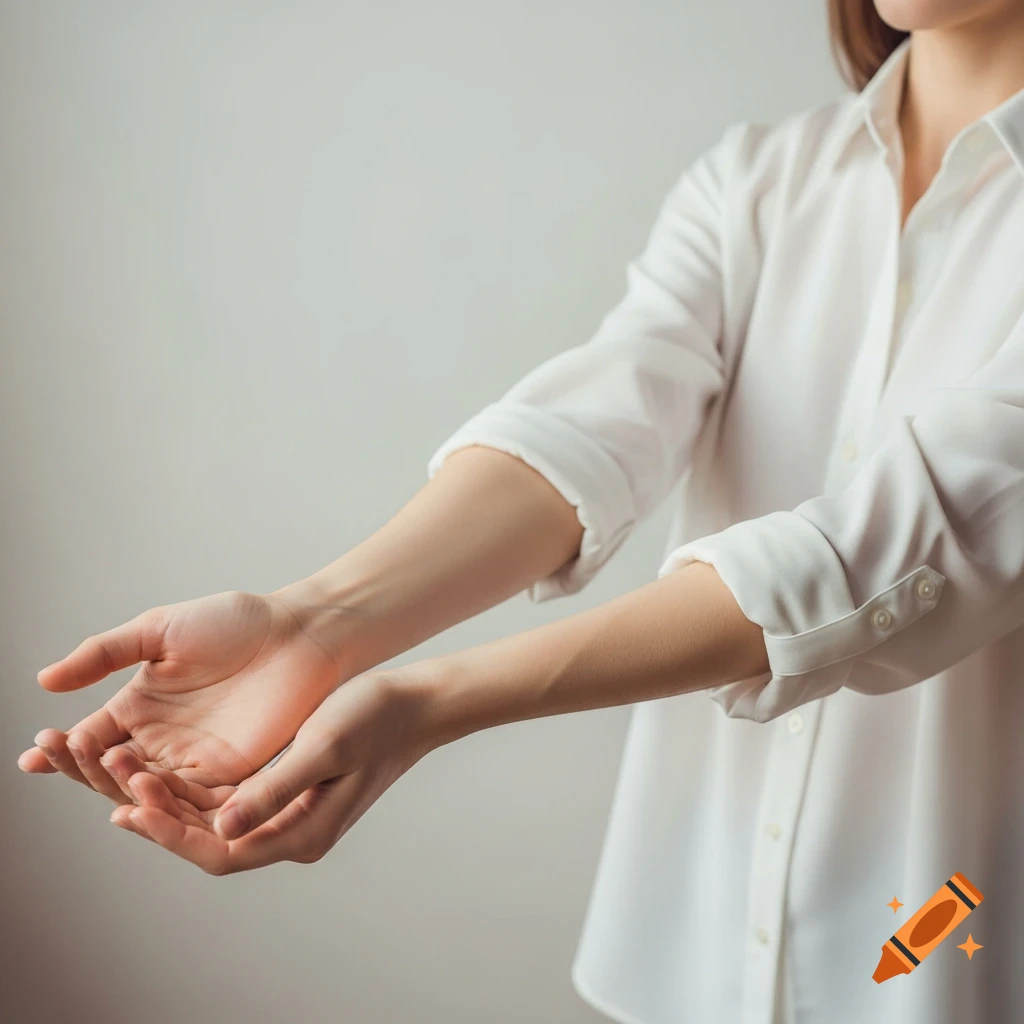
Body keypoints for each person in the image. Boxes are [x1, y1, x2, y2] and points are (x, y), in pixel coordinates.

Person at [18, 1, 1023, 1021]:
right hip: (687, 962)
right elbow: (593, 426)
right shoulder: (759, 179)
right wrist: (314, 624)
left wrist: (428, 702)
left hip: (953, 960)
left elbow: (895, 548)